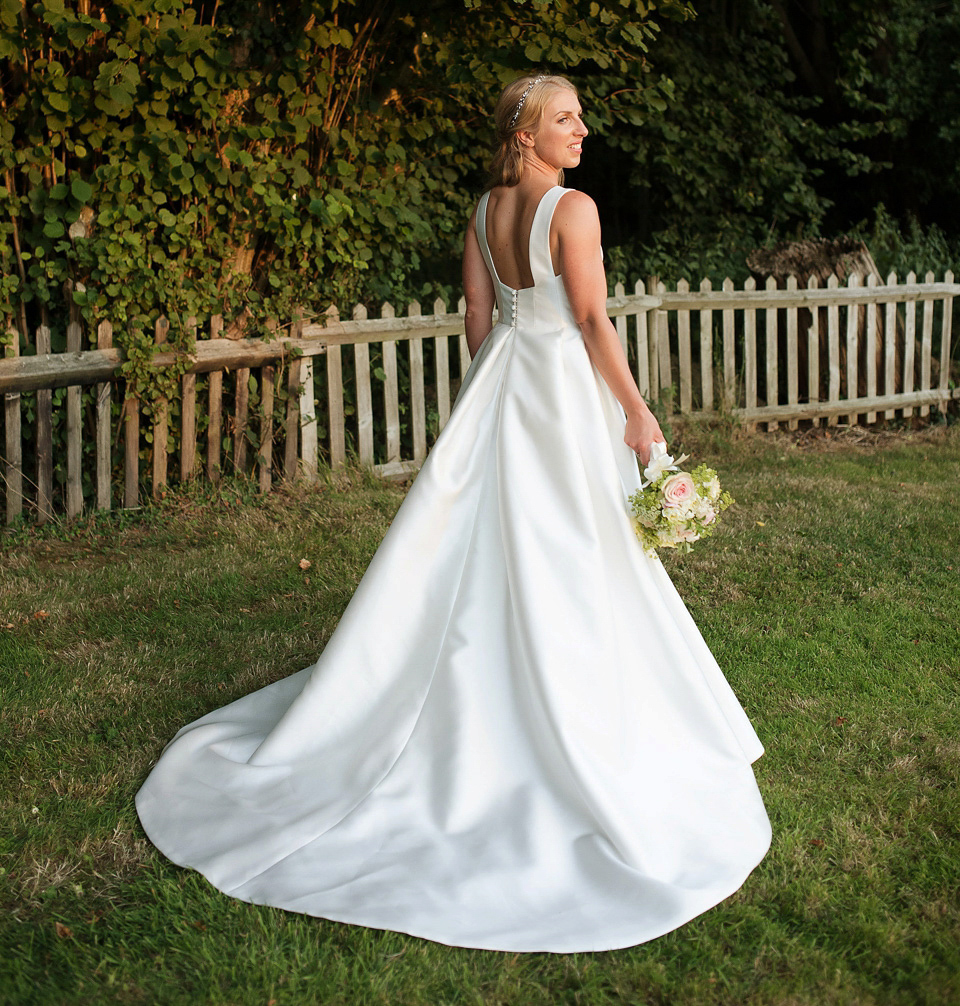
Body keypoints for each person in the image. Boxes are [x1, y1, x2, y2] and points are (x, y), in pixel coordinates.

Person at [136, 73, 771, 953]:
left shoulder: (483, 209)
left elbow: (478, 314)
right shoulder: (572, 210)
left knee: (478, 544)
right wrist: (633, 408)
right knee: (572, 547)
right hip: (559, 390)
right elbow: (589, 314)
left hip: (503, 384)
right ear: (526, 132)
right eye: (564, 118)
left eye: (579, 116)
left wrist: (491, 389)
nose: (582, 130)